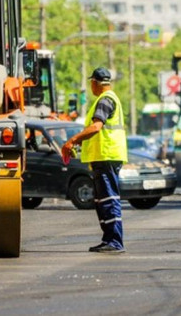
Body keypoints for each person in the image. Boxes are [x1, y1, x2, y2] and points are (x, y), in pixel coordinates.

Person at [62, 67, 128, 254]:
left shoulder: (105, 100)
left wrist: (73, 140)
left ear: (94, 83)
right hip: (104, 156)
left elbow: (96, 127)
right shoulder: (109, 98)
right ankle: (108, 239)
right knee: (101, 201)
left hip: (107, 156)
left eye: (91, 83)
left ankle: (115, 242)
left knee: (109, 199)